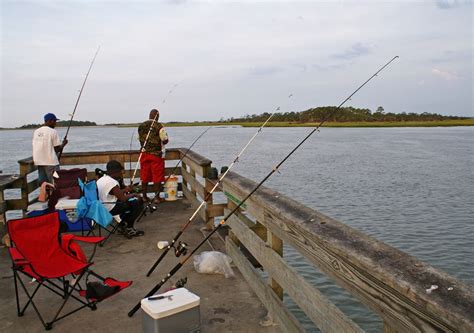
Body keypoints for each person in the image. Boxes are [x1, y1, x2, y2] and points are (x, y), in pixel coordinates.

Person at [97, 160, 144, 238]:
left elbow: (111, 193)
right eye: (120, 171)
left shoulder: (102, 179)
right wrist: (134, 194)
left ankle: (122, 224)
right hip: (110, 208)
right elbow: (123, 199)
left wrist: (124, 190)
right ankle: (129, 228)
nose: (121, 174)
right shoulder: (111, 182)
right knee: (137, 203)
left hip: (102, 206)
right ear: (115, 171)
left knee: (131, 203)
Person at [138, 109, 169, 203]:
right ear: (157, 116)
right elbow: (165, 140)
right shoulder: (159, 126)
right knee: (157, 176)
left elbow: (140, 139)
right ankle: (156, 197)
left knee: (144, 175)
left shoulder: (141, 126)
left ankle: (144, 196)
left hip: (144, 154)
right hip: (156, 155)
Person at [32, 113, 68, 185]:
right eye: (54, 121)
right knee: (56, 182)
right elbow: (57, 149)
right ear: (49, 121)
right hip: (51, 163)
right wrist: (64, 144)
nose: (55, 123)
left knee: (44, 184)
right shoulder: (53, 131)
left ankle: (46, 196)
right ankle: (55, 196)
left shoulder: (36, 131)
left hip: (39, 162)